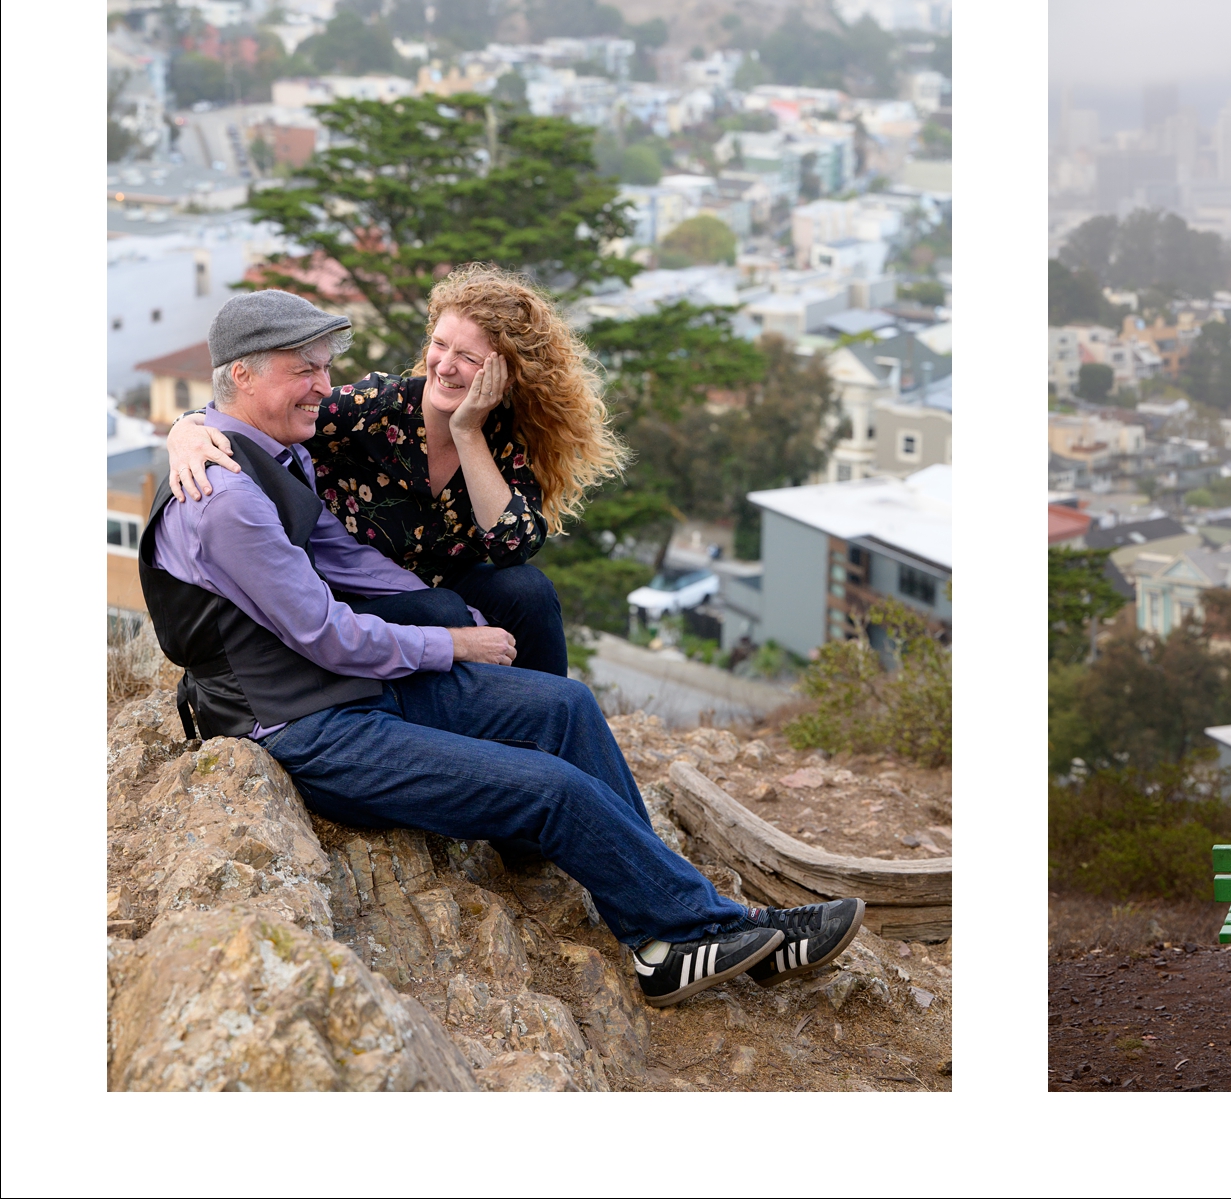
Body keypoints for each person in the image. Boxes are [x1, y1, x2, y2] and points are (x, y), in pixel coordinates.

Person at [140, 289, 863, 1007]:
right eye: (308, 369)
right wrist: (447, 642)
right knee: (551, 789)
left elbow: (351, 564)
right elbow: (325, 632)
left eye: (327, 367)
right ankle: (686, 933)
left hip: (348, 685)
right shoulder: (227, 499)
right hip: (306, 726)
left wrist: (454, 621)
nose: (325, 386)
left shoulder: (273, 454)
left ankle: (677, 927)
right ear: (242, 374)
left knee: (568, 706)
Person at [165, 264, 620, 678]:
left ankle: (549, 711)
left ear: (506, 373)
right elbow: (260, 410)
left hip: (437, 581)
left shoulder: (503, 433)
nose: (445, 364)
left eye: (469, 358)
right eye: (440, 345)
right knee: (441, 610)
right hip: (353, 587)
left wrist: (468, 432)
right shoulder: (376, 408)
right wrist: (185, 428)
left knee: (529, 590)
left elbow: (512, 546)